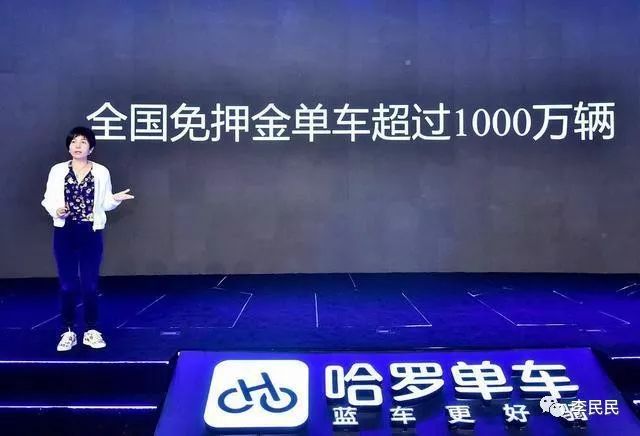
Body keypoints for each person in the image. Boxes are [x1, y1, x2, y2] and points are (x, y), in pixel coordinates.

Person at [41, 126, 134, 351]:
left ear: (91, 148)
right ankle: (68, 331)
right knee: (67, 285)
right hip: (65, 232)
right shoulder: (57, 171)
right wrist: (57, 210)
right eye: (74, 141)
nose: (77, 146)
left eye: (83, 142)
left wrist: (115, 199)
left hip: (90, 232)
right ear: (69, 147)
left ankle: (91, 330)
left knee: (90, 285)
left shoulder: (101, 172)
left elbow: (105, 203)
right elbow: (48, 199)